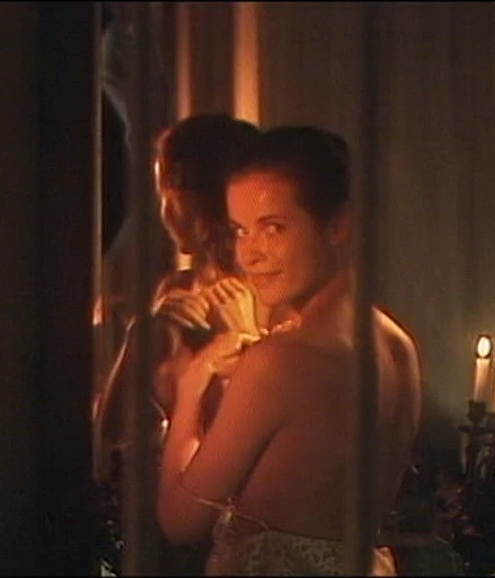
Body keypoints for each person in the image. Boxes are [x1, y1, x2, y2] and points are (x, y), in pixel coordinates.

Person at [156, 126, 423, 575]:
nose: (250, 254)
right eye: (240, 231)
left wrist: (189, 390)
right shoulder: (398, 345)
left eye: (273, 228)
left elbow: (180, 522)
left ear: (338, 226)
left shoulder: (278, 362)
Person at [90, 113, 265, 576]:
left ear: (194, 201)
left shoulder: (267, 298)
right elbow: (110, 432)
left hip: (240, 527)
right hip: (160, 516)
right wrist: (138, 338)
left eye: (166, 193)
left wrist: (239, 339)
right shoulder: (174, 291)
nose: (163, 210)